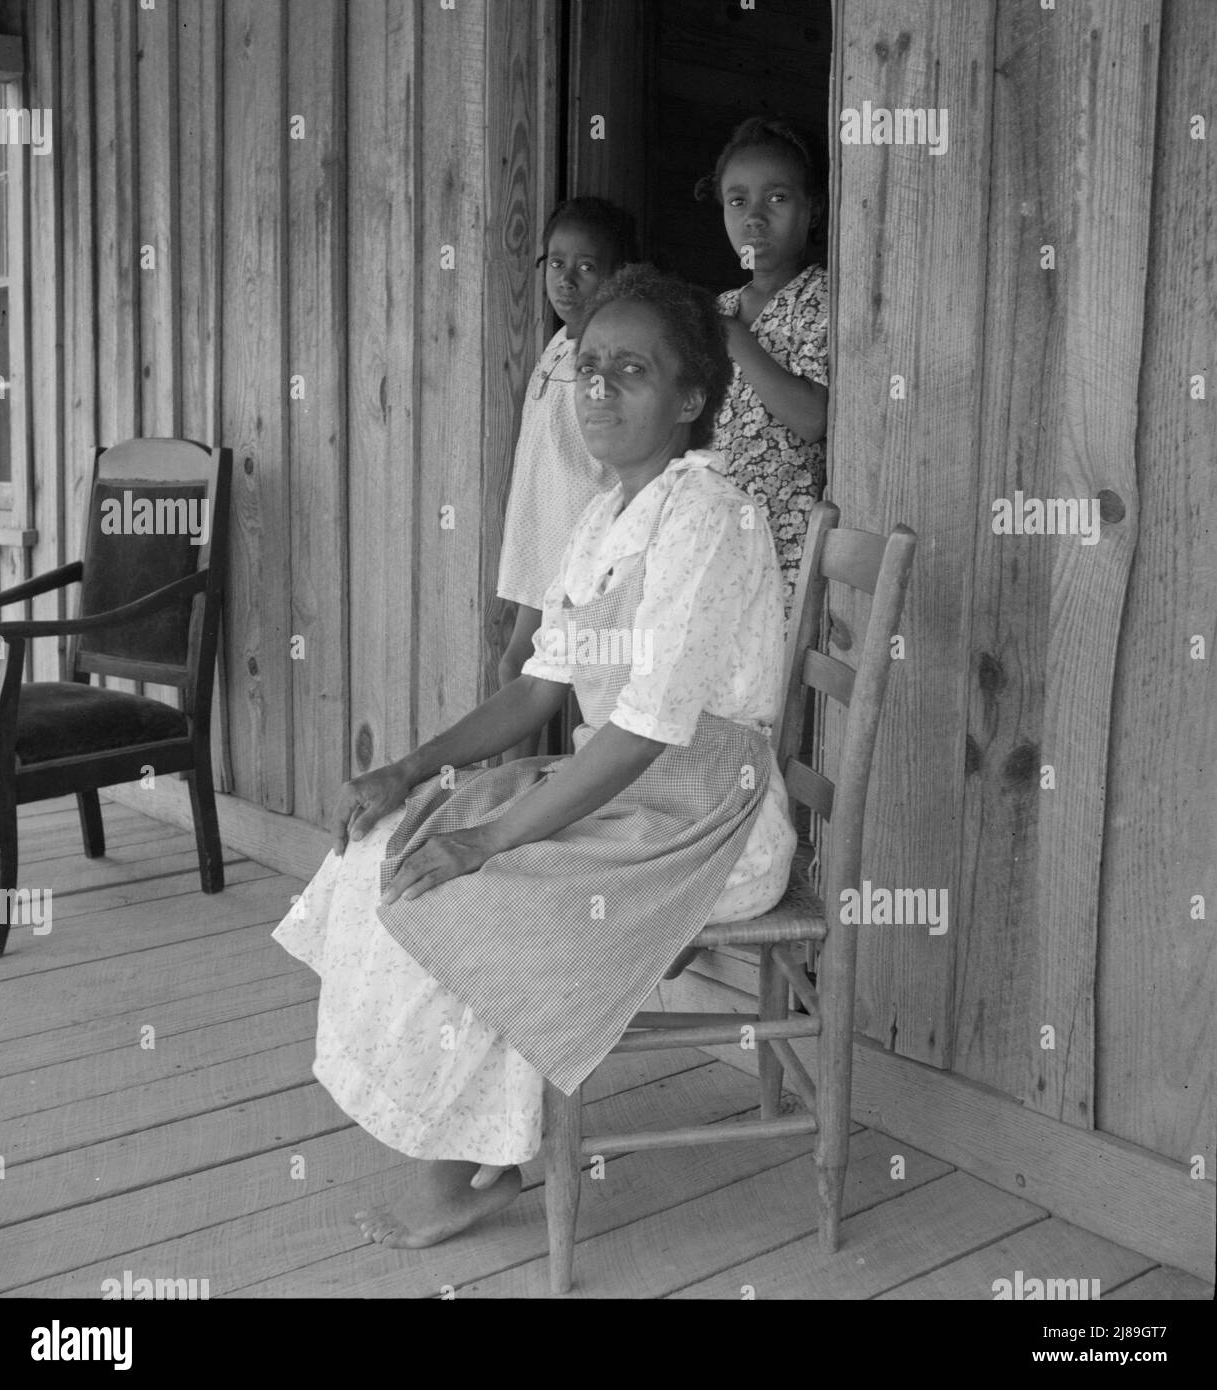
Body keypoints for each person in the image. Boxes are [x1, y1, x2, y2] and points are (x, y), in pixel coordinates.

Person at [273, 265, 796, 1251]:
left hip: (712, 819)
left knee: (471, 883)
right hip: (626, 792)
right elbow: (537, 690)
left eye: (630, 370)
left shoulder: (708, 518)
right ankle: (485, 1143)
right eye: (589, 367)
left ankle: (459, 1175)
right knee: (394, 838)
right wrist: (409, 769)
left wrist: (491, 842)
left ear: (691, 397)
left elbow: (649, 729)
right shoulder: (606, 516)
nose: (598, 389)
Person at [496, 197, 638, 757]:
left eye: (586, 267)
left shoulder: (610, 351)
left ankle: (563, 800)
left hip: (582, 541)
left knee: (590, 674)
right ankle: (512, 789)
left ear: (617, 275)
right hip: (538, 533)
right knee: (520, 663)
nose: (567, 280)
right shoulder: (558, 344)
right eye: (556, 264)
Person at [699, 117, 829, 612]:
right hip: (713, 545)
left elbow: (812, 419)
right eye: (738, 201)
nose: (754, 217)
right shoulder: (715, 310)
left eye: (776, 198)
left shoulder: (819, 298)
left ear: (812, 209)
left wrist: (736, 340)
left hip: (785, 550)